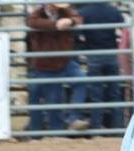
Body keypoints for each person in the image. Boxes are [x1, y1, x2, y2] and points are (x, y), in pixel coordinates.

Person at [25, 2, 89, 132]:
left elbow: (78, 18)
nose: (59, 8)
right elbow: (32, 22)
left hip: (63, 60)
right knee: (53, 101)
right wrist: (56, 24)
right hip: (46, 65)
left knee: (82, 80)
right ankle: (56, 133)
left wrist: (70, 21)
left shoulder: (65, 12)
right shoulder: (37, 13)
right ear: (48, 5)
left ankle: (73, 118)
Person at [77, 1, 125, 130]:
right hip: (111, 53)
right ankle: (118, 126)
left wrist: (84, 47)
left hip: (93, 55)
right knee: (114, 93)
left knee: (96, 94)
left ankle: (96, 126)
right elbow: (124, 29)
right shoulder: (113, 10)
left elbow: (77, 34)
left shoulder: (84, 12)